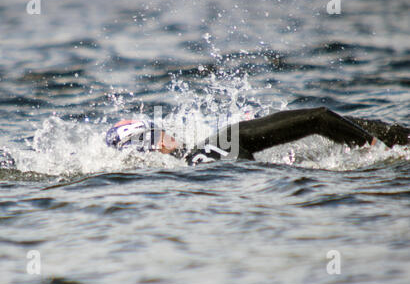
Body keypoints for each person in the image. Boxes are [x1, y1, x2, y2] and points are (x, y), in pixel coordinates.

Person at [106, 107, 410, 166]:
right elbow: (320, 118)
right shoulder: (221, 139)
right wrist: (386, 157)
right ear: (159, 143)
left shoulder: (194, 166)